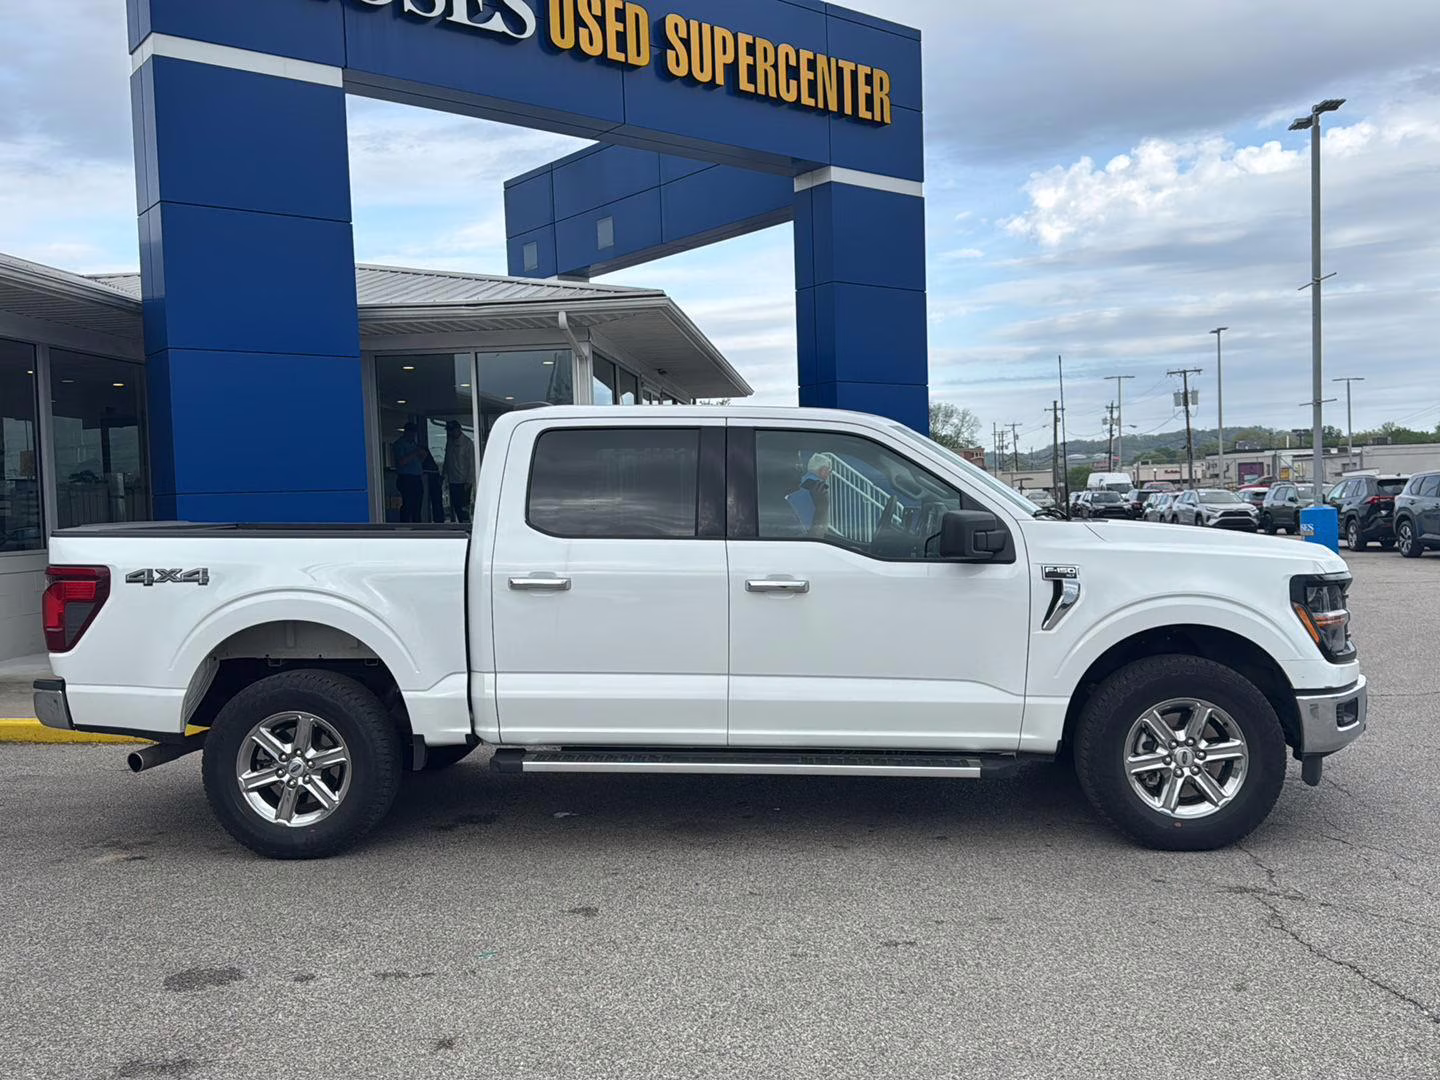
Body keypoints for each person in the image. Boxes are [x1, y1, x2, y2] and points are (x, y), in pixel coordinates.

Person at [442, 420, 476, 523]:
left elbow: (472, 463)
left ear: (458, 429)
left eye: (452, 430)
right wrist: (444, 475)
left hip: (463, 481)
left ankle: (466, 526)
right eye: (449, 431)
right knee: (455, 506)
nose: (451, 433)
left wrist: (469, 481)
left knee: (463, 507)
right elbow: (447, 460)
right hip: (452, 480)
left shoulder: (467, 443)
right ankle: (460, 524)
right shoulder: (450, 442)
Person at [392, 422, 425, 523]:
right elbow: (401, 462)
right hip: (406, 478)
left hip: (417, 478)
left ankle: (418, 526)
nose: (413, 435)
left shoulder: (414, 444)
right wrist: (415, 453)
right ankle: (405, 525)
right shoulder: (399, 444)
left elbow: (419, 461)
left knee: (418, 504)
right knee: (408, 504)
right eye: (411, 432)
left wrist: (422, 455)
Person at [800, 452, 833, 538]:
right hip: (812, 538)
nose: (829, 474)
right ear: (823, 470)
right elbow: (820, 521)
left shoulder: (802, 482)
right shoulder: (819, 488)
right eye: (829, 470)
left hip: (801, 531)